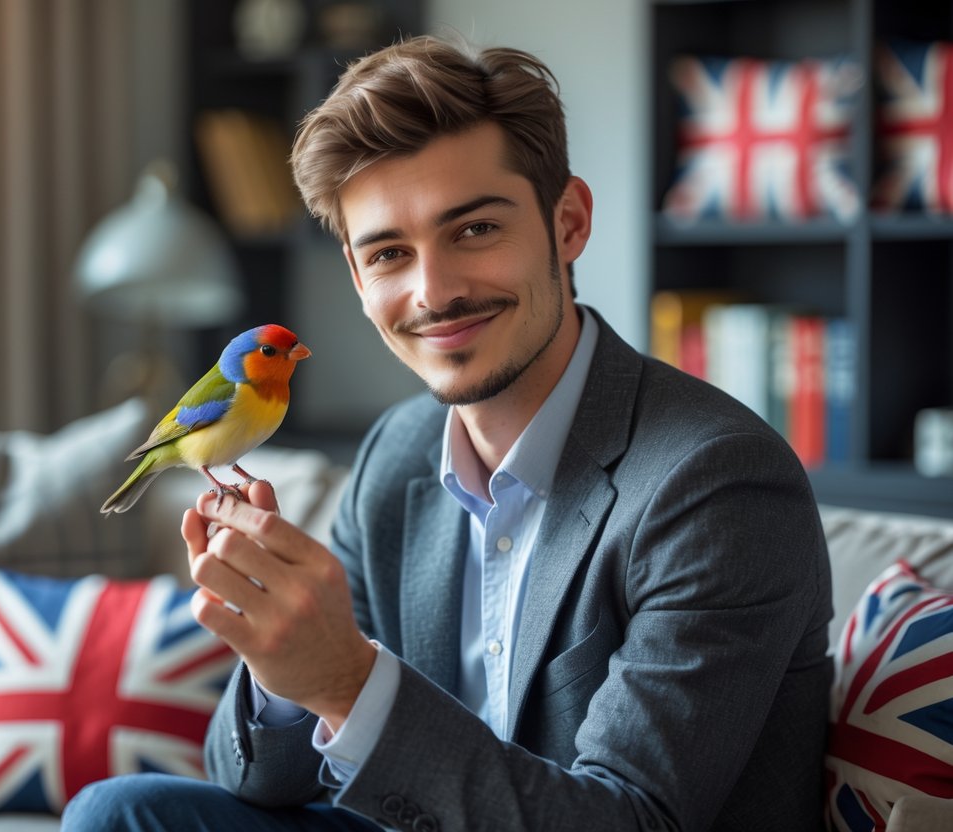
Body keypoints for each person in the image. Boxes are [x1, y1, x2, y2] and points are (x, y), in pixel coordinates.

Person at [62, 34, 833, 832]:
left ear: (567, 224)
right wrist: (279, 659)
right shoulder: (395, 454)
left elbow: (627, 820)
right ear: (361, 282)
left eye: (473, 231)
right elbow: (258, 782)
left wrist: (346, 685)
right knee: (121, 814)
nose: (434, 291)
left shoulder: (719, 484)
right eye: (390, 253)